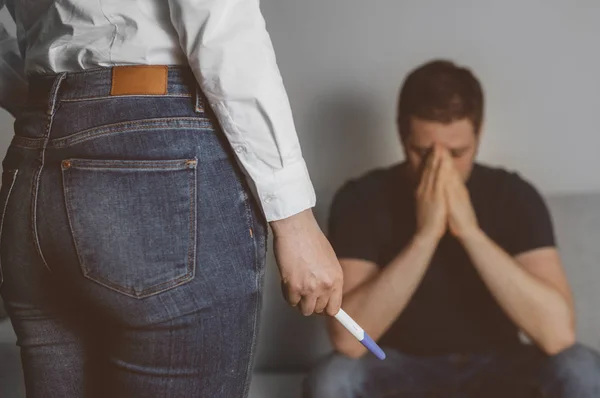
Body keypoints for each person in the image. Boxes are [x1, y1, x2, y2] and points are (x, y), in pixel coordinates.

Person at [0, 0, 343, 397]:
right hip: (155, 155)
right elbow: (222, 28)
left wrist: (57, 106)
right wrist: (295, 222)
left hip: (32, 164)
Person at [304, 60, 600, 397]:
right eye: (422, 152)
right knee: (332, 378)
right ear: (402, 135)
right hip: (396, 363)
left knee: (581, 366)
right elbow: (349, 340)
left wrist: (469, 231)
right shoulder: (361, 198)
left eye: (458, 152)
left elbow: (558, 334)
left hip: (500, 363)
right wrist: (425, 236)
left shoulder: (514, 195)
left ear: (478, 135)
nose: (439, 166)